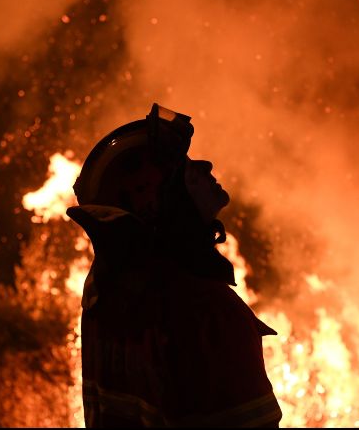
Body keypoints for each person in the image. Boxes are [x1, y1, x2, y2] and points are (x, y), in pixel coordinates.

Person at [67, 104, 282, 427]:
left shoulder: (105, 292)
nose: (206, 166)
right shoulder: (208, 309)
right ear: (157, 203)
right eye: (185, 170)